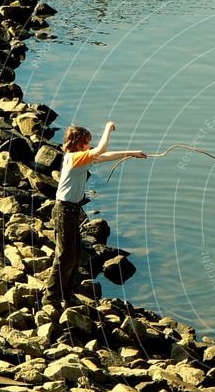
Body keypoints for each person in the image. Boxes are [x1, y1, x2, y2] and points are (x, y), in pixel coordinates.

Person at [43, 121, 146, 310]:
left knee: (74, 256)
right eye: (87, 142)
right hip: (64, 211)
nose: (90, 146)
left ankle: (68, 294)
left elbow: (104, 155)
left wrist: (130, 153)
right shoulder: (73, 158)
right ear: (78, 143)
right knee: (65, 256)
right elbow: (101, 149)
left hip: (73, 211)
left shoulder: (81, 158)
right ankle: (51, 297)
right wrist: (107, 128)